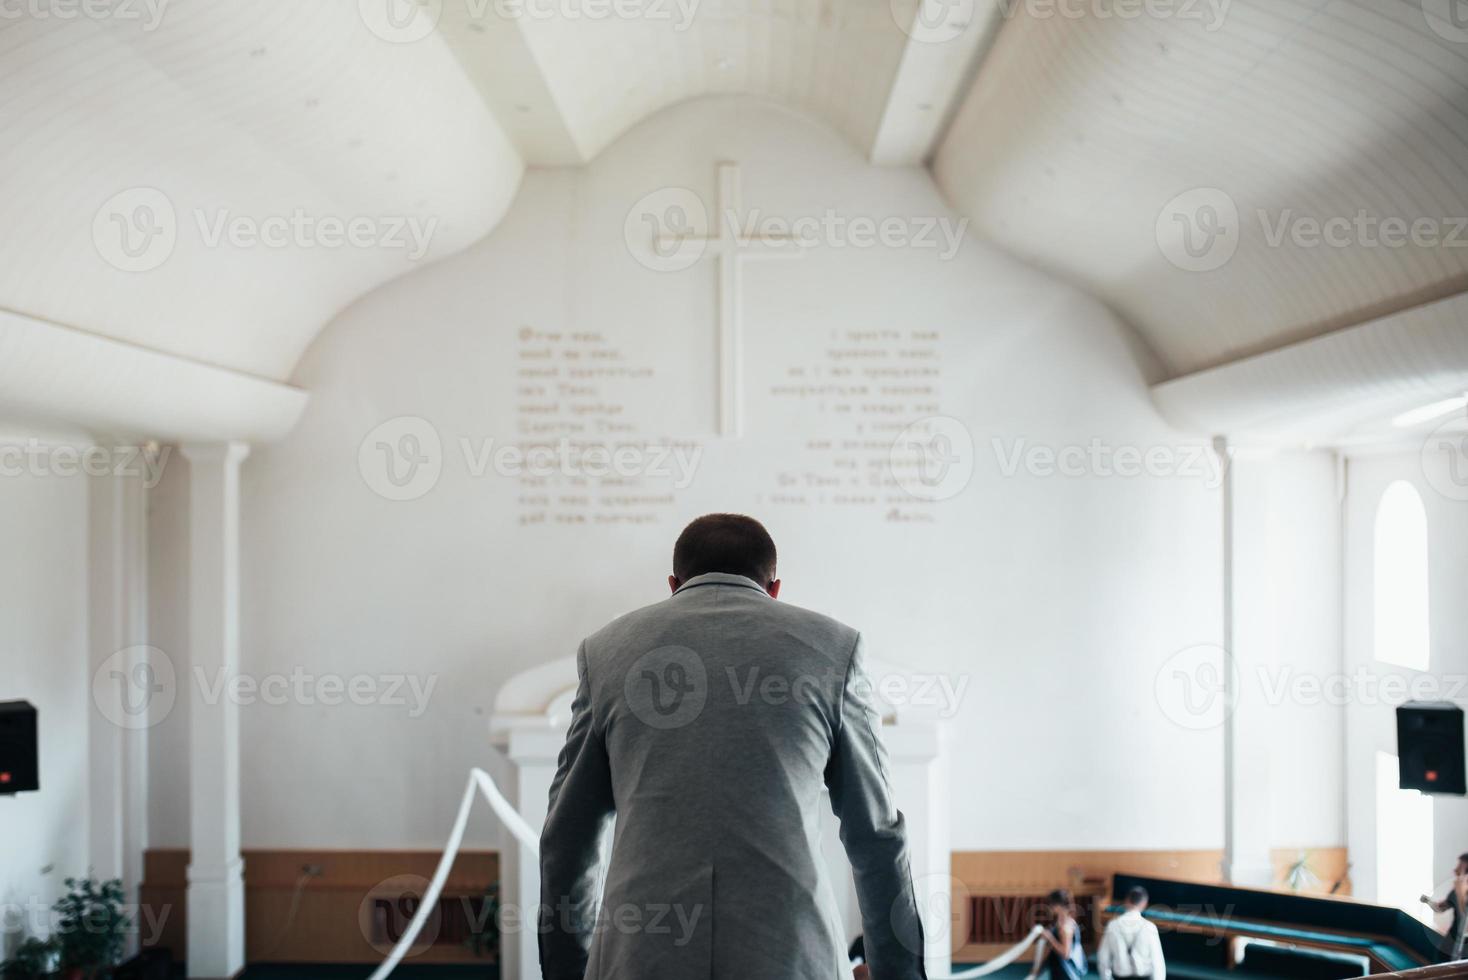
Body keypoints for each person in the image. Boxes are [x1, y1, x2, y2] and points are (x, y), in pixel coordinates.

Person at [538, 514, 928, 980]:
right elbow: (876, 837)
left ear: (673, 584)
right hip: (790, 954)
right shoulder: (834, 649)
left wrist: (566, 973)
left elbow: (568, 839)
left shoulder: (606, 653)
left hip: (641, 955)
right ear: (775, 587)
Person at [1098, 886, 1165, 980]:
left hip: (1120, 977)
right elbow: (1157, 961)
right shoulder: (1150, 927)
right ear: (1144, 903)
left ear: (1126, 901)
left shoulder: (1113, 925)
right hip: (1143, 977)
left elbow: (1103, 957)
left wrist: (1105, 977)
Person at [1028, 889, 1087, 980]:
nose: (1049, 907)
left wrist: (1050, 937)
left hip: (1065, 973)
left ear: (1057, 905)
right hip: (1058, 969)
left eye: (1050, 904)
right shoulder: (1061, 922)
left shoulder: (1065, 926)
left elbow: (1065, 953)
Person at [1421, 853, 1468, 960]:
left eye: (1460, 867)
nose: (1456, 870)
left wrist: (1460, 891)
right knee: (1441, 958)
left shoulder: (1460, 890)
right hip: (1453, 936)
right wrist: (1428, 901)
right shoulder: (1456, 890)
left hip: (1463, 941)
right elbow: (1440, 908)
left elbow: (1465, 920)